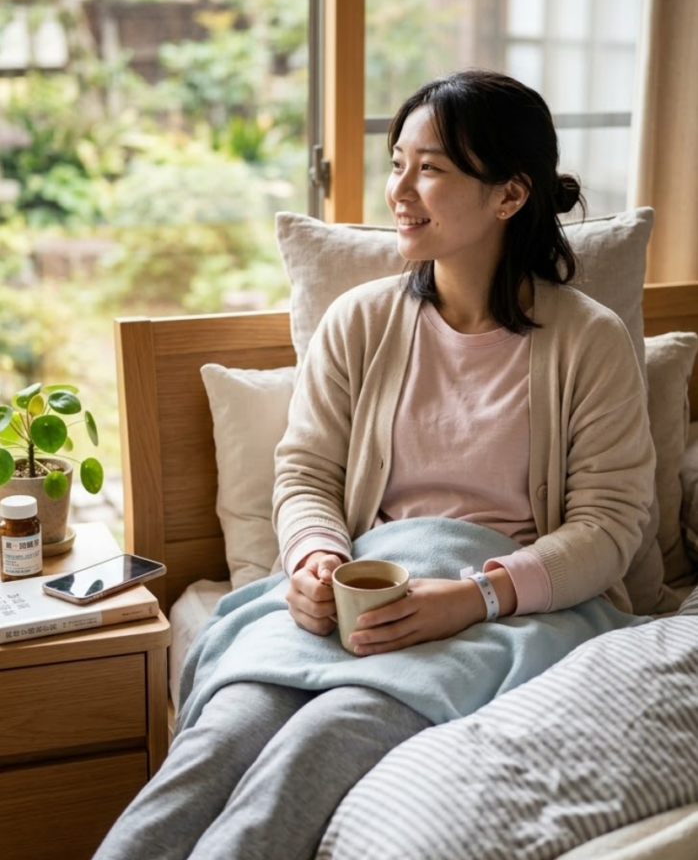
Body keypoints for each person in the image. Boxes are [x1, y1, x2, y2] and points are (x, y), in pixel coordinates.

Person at [93, 70, 655, 860]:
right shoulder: (359, 320)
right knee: (218, 740)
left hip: (513, 614)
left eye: (431, 168)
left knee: (317, 744)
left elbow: (611, 525)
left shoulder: (589, 341)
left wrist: (477, 596)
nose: (399, 189)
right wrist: (317, 556)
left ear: (509, 195)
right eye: (398, 162)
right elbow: (306, 473)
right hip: (363, 591)